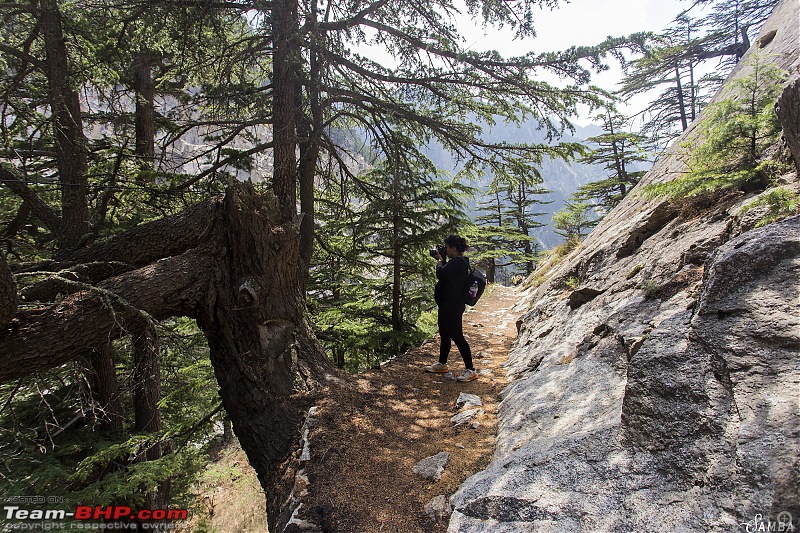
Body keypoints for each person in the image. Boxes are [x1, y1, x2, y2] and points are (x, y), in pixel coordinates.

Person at [425, 234, 477, 382]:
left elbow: (441, 274)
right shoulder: (457, 262)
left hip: (452, 305)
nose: (445, 250)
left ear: (454, 248)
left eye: (447, 248)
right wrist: (443, 260)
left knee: (457, 335)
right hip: (446, 304)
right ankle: (442, 364)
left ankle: (470, 369)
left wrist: (440, 261)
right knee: (445, 334)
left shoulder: (458, 262)